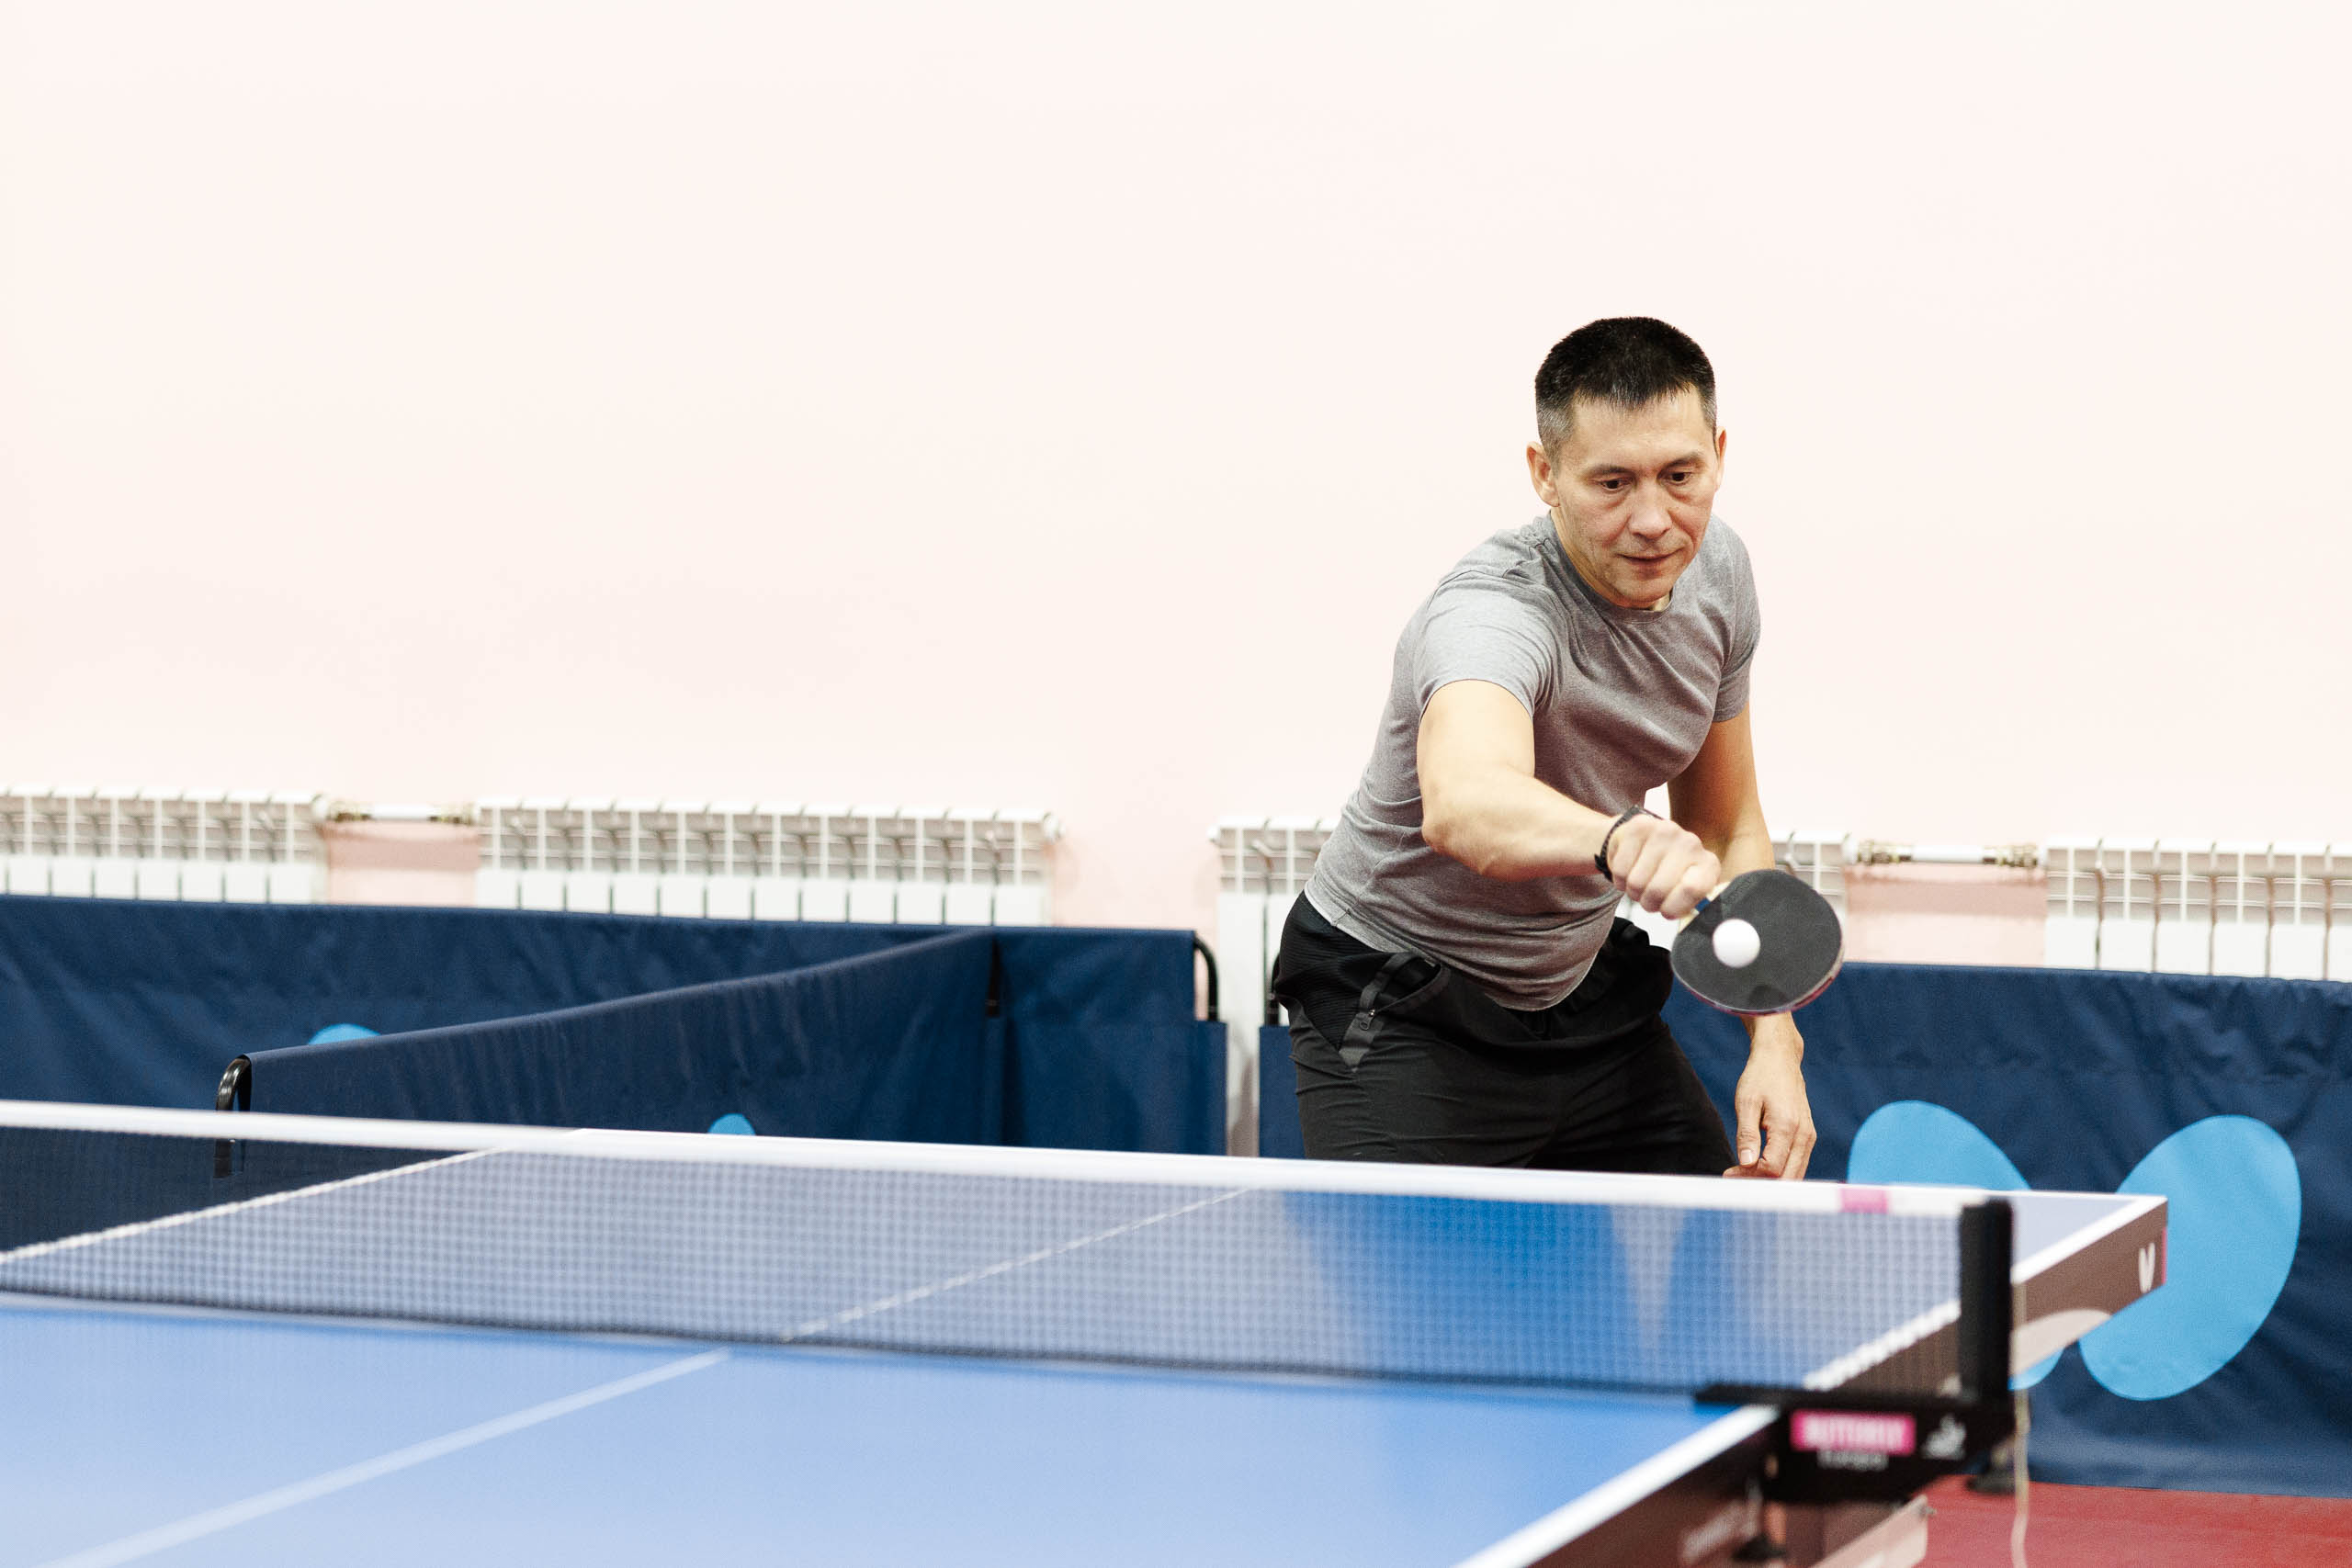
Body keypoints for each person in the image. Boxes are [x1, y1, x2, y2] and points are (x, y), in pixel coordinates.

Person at [1271, 316, 1815, 1179]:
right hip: (1402, 997)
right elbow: (1466, 802)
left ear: (1718, 455)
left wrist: (1775, 1037)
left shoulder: (1718, 575)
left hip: (1576, 988)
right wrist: (1618, 838)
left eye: (1680, 475)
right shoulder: (1490, 614)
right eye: (1611, 482)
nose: (1653, 519)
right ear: (1545, 474)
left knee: (1716, 1236)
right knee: (1410, 1274)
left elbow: (1723, 826)